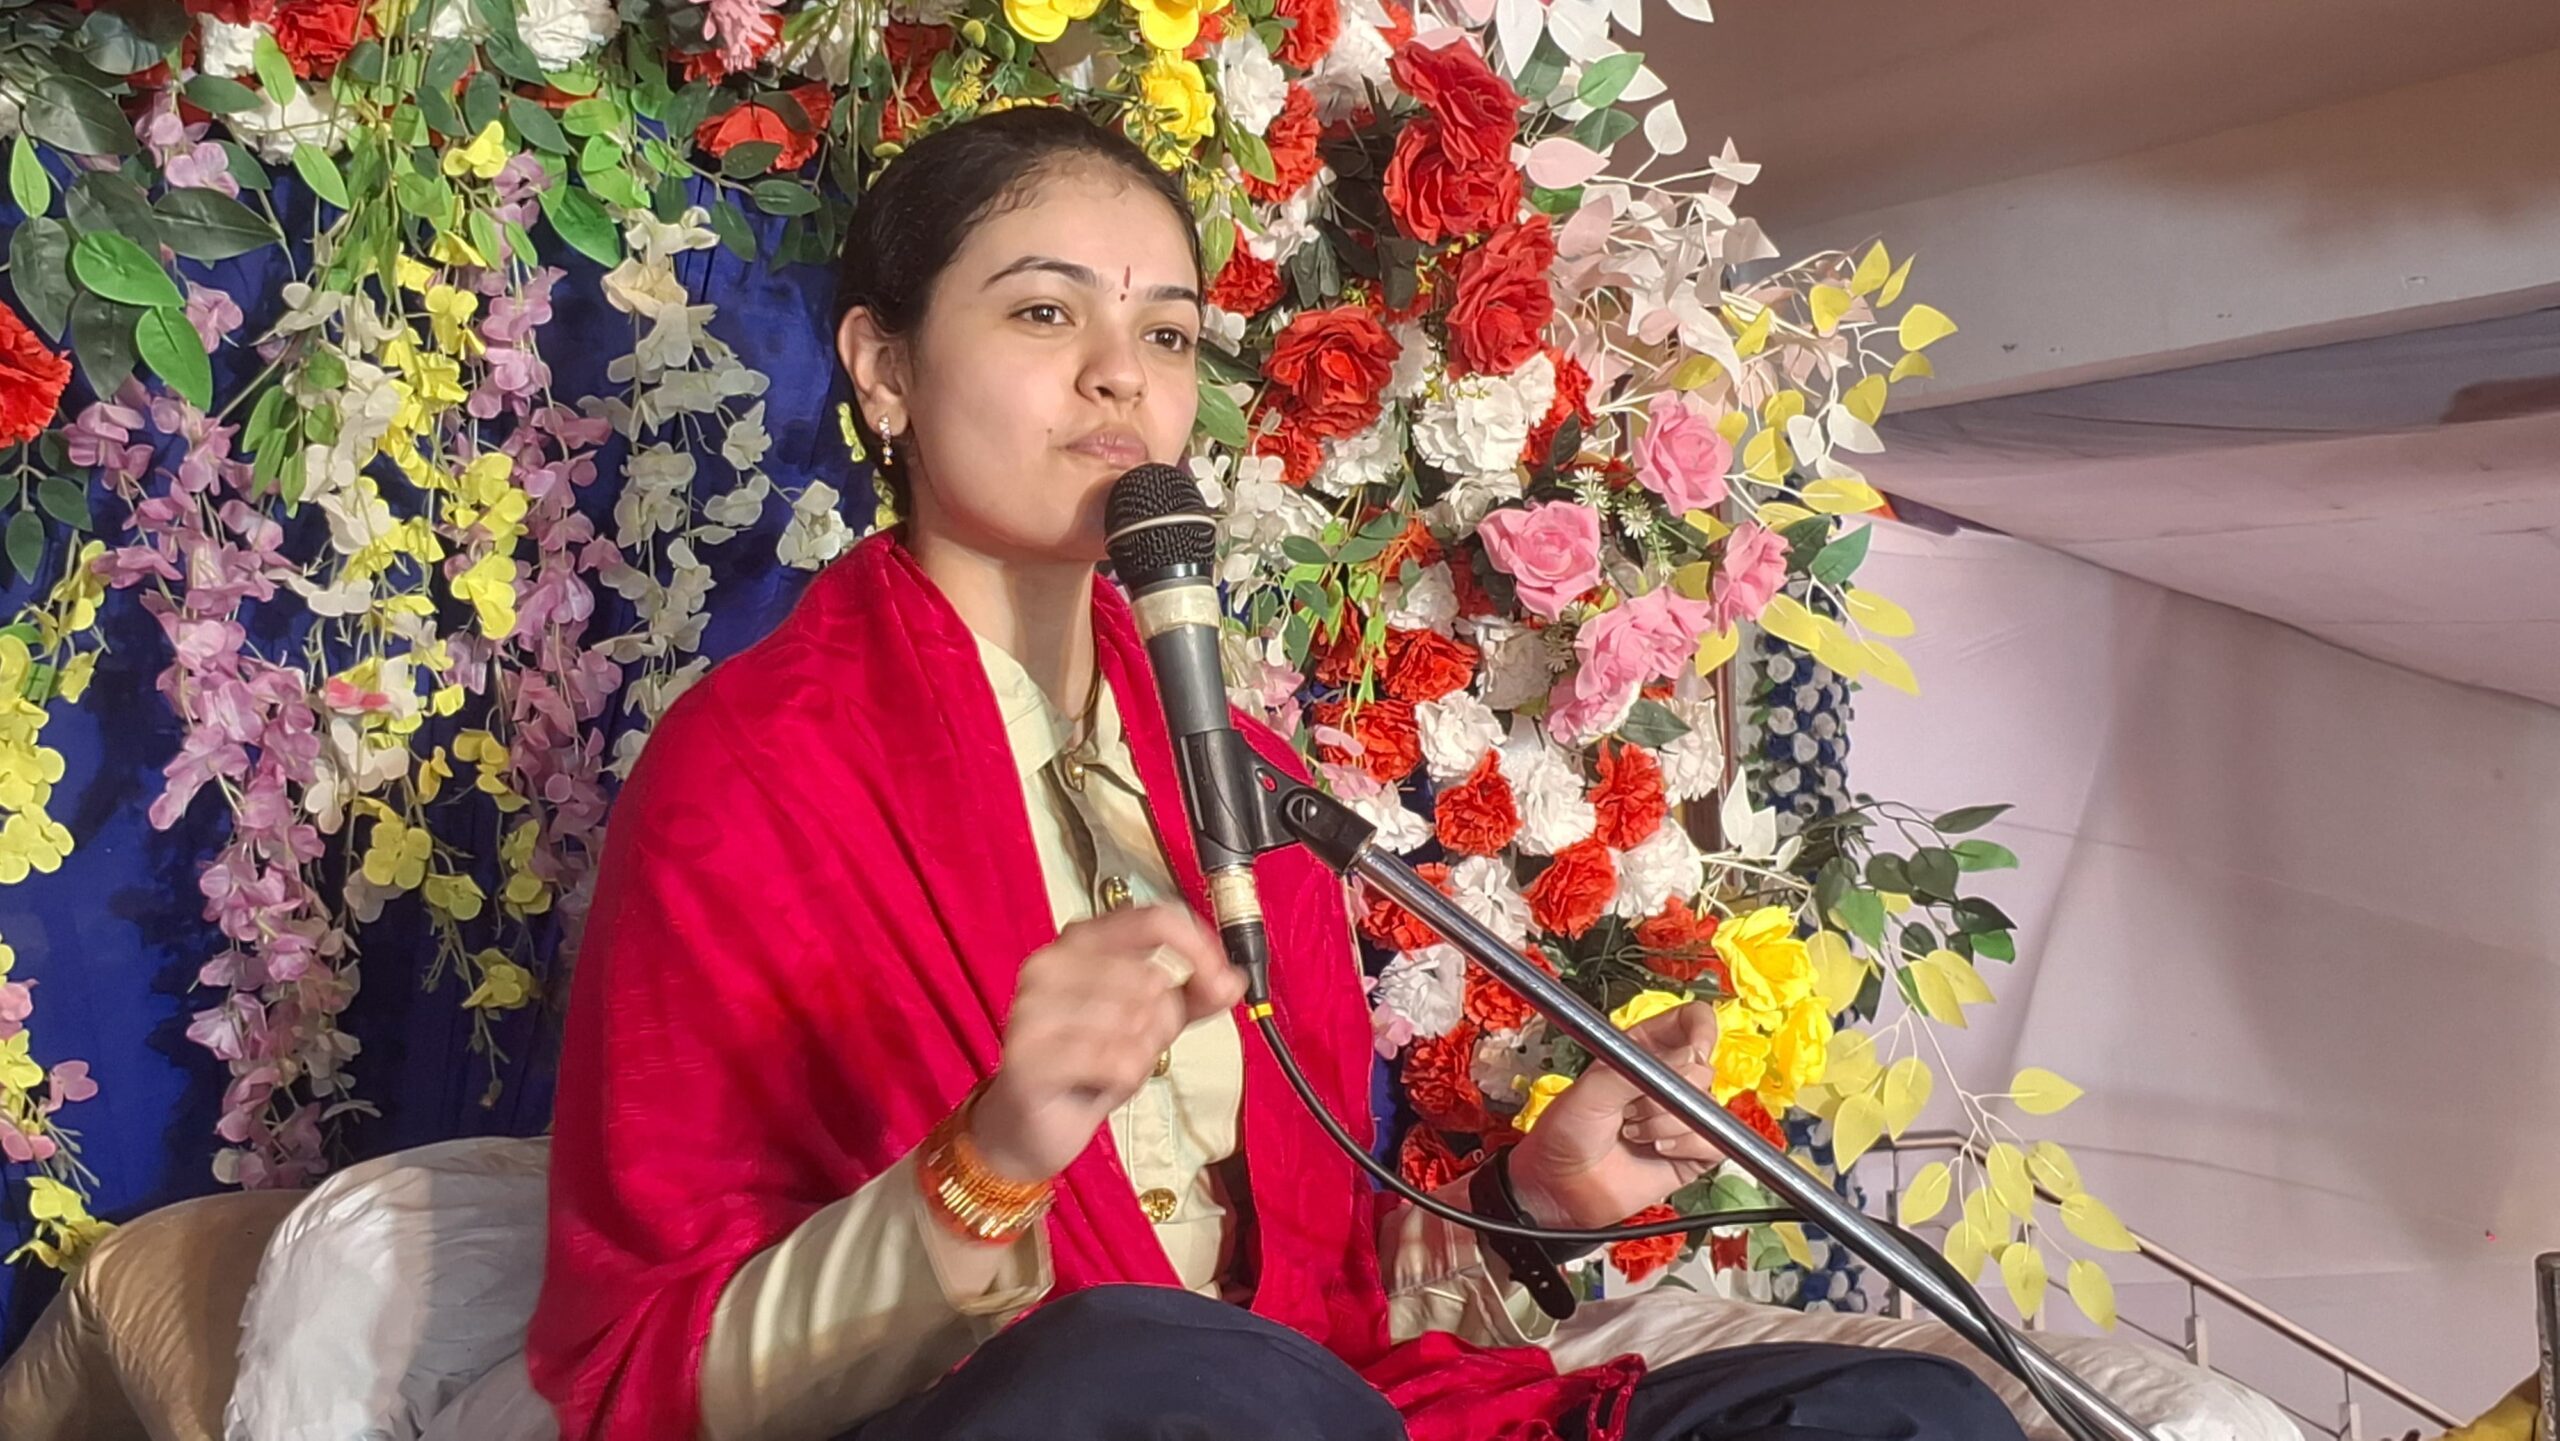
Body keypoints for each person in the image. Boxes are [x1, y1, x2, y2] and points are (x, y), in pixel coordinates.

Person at [524, 105, 2031, 1441]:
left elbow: (1315, 1308)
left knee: (1907, 1409)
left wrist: (1534, 1203)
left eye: (1169, 336)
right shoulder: (752, 773)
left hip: (1284, 1405)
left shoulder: (1239, 782)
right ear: (885, 370)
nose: (1120, 378)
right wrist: (990, 1164)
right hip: (1061, 1408)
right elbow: (652, 1378)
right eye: (1046, 314)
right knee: (1149, 1365)